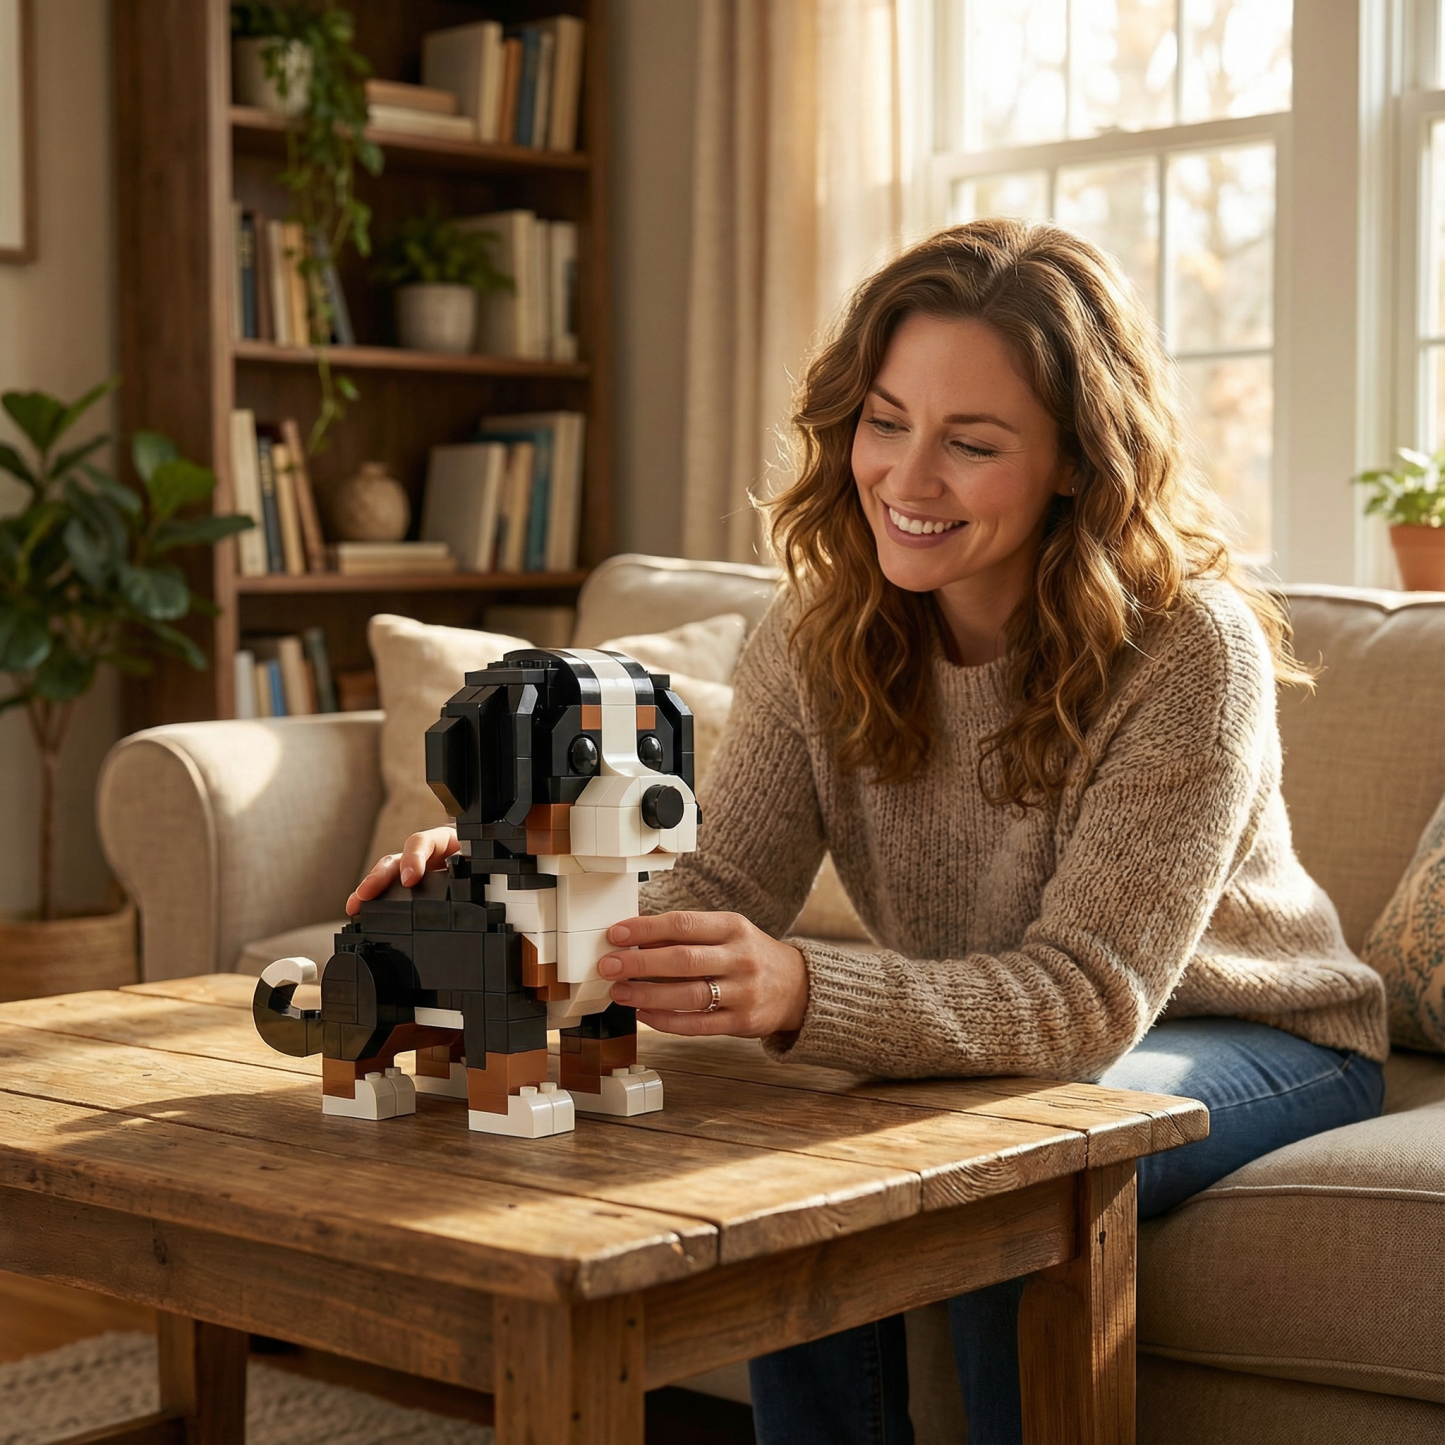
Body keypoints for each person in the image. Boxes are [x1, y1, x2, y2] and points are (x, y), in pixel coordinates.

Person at [348, 220, 1388, 1445]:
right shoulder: (817, 628)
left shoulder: (1185, 649)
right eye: (883, 422)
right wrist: (497, 896)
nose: (905, 477)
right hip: (1032, 1027)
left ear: (1074, 460)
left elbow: (1086, 999)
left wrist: (798, 991)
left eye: (971, 442)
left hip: (1254, 1031)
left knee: (1011, 1181)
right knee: (807, 1168)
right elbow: (717, 881)